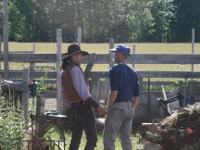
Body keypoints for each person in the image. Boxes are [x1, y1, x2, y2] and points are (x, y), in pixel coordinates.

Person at [60, 44, 106, 150]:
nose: (82, 58)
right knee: (92, 139)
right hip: (83, 108)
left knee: (75, 138)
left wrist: (71, 107)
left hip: (73, 108)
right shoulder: (75, 70)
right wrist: (98, 106)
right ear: (74, 57)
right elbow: (84, 94)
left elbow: (64, 95)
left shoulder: (64, 71)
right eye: (80, 55)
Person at [103, 44, 140, 150]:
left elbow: (114, 91)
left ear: (120, 54)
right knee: (126, 139)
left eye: (116, 53)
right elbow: (137, 94)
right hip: (130, 107)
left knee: (109, 139)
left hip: (117, 107)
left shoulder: (114, 70)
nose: (114, 55)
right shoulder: (133, 72)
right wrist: (132, 108)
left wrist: (108, 106)